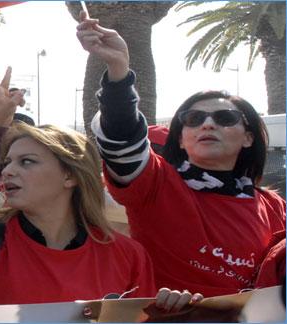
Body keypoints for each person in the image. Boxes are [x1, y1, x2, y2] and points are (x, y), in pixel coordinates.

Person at [0, 67, 201, 310]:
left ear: (71, 176)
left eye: (27, 162)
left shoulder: (127, 255)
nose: (8, 170)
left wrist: (168, 311)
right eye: (8, 161)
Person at [76, 11, 285, 297]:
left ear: (249, 137)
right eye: (193, 118)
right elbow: (122, 142)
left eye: (224, 118)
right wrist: (118, 70)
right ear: (181, 140)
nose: (208, 124)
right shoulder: (156, 184)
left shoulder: (275, 208)